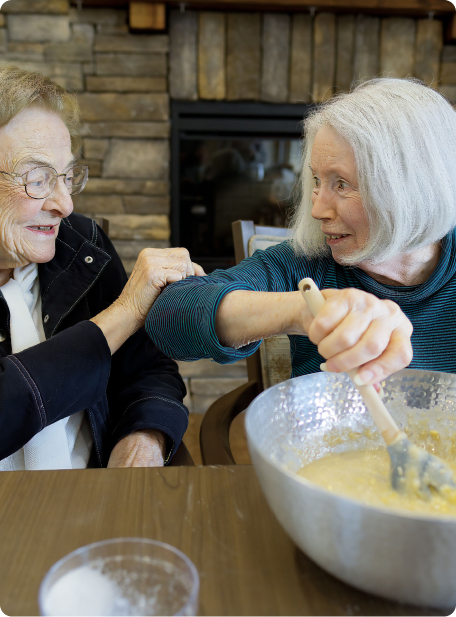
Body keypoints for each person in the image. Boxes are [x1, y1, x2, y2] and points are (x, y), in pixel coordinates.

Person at [146, 77, 456, 386]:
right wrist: (301, 310)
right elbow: (168, 317)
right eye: (317, 181)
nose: (317, 210)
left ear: (413, 190)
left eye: (342, 184)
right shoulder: (306, 263)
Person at [0, 66, 204, 470]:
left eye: (68, 176)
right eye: (38, 179)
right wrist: (125, 313)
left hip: (93, 493)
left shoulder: (81, 244)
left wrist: (144, 435)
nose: (65, 204)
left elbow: (147, 367)